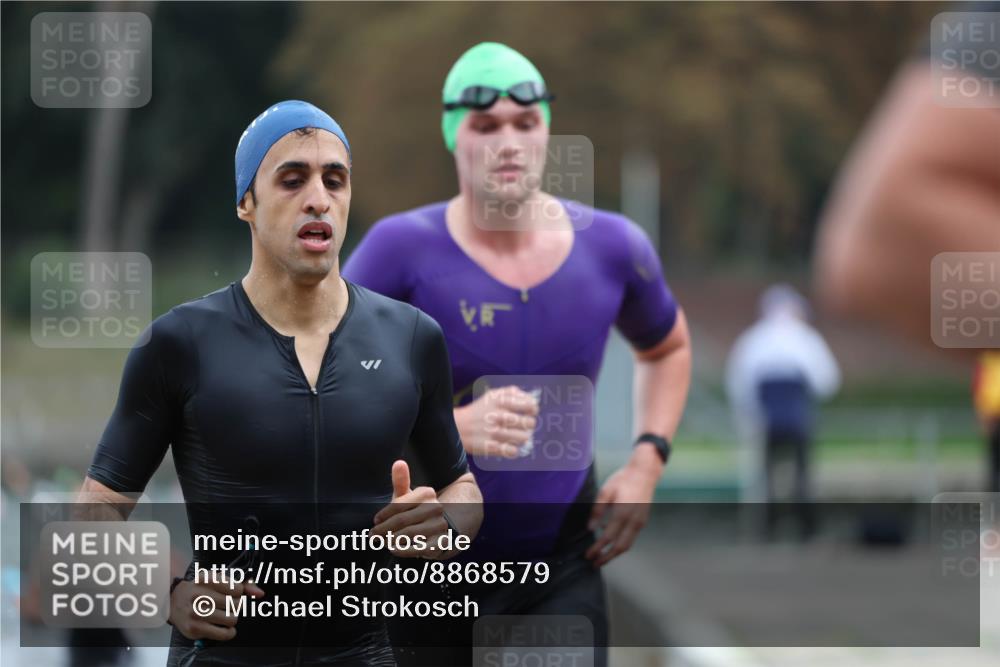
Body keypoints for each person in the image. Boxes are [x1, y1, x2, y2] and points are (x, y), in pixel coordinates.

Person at [77, 100, 482, 666]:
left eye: (333, 180)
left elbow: (464, 491)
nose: (318, 197)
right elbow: (92, 515)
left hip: (361, 653)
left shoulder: (412, 338)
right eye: (292, 180)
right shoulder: (179, 343)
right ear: (247, 201)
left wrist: (444, 523)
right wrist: (168, 596)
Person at [343, 42, 692, 666]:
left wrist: (647, 461)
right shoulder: (399, 251)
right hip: (422, 569)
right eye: (486, 126)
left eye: (525, 124)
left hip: (557, 568)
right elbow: (319, 390)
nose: (509, 141)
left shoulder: (612, 248)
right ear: (455, 135)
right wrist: (447, 430)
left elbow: (667, 347)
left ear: (546, 132)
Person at [725, 285, 841, 539]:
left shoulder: (752, 340)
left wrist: (750, 415)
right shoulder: (808, 339)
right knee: (802, 475)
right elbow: (828, 382)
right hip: (798, 420)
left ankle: (767, 528)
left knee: (765, 476)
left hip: (765, 422)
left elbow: (738, 384)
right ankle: (805, 528)